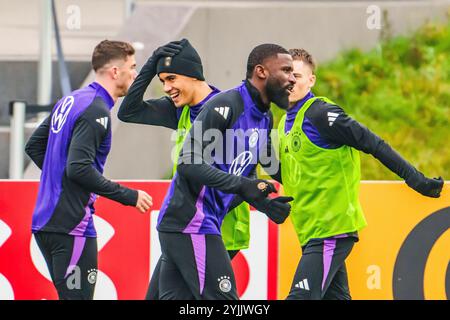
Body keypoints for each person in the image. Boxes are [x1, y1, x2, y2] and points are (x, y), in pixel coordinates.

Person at [279, 48, 444, 300]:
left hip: (330, 229)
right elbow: (290, 175)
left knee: (300, 297)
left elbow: (373, 143)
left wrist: (416, 180)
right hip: (309, 232)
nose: (290, 82)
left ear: (311, 80)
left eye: (297, 76)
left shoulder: (321, 114)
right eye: (286, 75)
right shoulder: (283, 124)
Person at [156, 43, 295, 300]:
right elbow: (187, 162)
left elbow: (261, 171)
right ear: (261, 72)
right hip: (191, 222)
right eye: (286, 70)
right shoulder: (226, 105)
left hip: (188, 225)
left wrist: (265, 203)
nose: (292, 78)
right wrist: (243, 186)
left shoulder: (265, 118)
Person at [118, 39, 251, 300]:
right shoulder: (179, 111)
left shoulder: (227, 111)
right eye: (162, 81)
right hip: (185, 228)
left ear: (193, 75)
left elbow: (247, 177)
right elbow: (128, 111)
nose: (167, 88)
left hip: (216, 230)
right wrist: (152, 62)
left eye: (171, 78)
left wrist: (202, 208)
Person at [25, 40, 153, 300]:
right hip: (71, 227)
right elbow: (79, 169)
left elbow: (35, 147)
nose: (135, 74)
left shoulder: (71, 99)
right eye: (132, 67)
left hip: (45, 224)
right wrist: (129, 196)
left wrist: (62, 181)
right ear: (115, 72)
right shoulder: (97, 111)